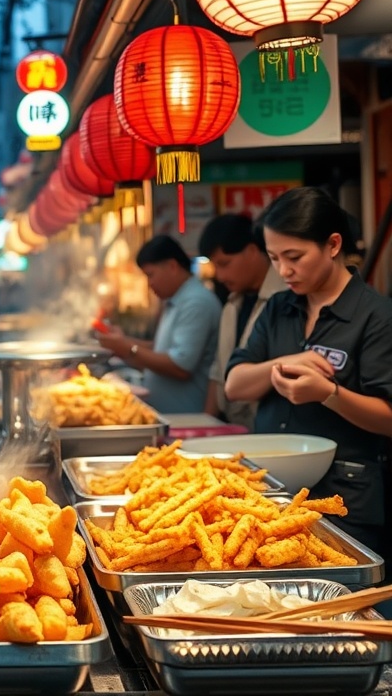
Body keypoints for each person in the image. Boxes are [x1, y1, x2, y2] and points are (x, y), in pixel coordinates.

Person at [226, 187, 392, 561]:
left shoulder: (376, 315)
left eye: (294, 257)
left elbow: (389, 417)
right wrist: (283, 364)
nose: (284, 270)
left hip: (345, 500)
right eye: (274, 258)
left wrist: (329, 394)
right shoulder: (279, 308)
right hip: (267, 495)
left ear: (333, 245)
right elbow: (234, 385)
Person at [95, 235, 221, 414]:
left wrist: (128, 348)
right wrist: (121, 342)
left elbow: (180, 367)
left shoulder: (196, 302)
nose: (149, 284)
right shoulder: (175, 300)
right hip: (170, 415)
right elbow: (160, 350)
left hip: (188, 418)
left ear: (172, 266)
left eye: (151, 275)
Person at [199, 213, 286, 429]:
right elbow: (219, 370)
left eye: (224, 264)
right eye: (215, 266)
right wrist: (207, 426)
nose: (219, 275)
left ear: (252, 251)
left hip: (268, 430)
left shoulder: (284, 299)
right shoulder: (231, 304)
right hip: (232, 426)